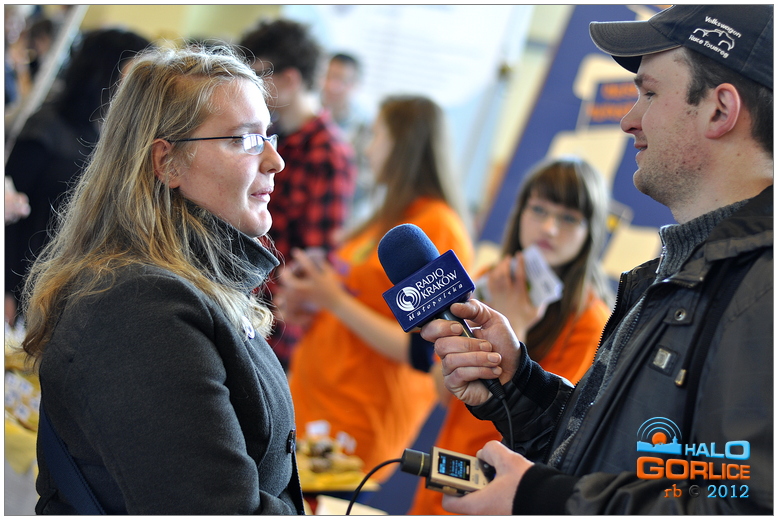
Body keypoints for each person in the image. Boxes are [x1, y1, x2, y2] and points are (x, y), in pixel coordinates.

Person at [420, 4, 772, 515]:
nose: (629, 120)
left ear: (720, 110)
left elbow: (745, 503)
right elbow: (606, 455)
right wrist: (518, 382)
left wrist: (541, 499)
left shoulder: (763, 287)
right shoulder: (676, 272)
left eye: (650, 94)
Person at [20, 44, 305, 514]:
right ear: (167, 162)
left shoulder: (183, 285)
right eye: (245, 139)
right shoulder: (139, 307)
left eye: (268, 135)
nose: (276, 161)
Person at [280, 95, 474, 483]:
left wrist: (333, 300)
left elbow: (424, 352)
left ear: (403, 145)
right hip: (314, 404)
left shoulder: (436, 227)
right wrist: (310, 300)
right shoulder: (387, 218)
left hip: (355, 423)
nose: (367, 148)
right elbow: (360, 302)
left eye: (376, 135)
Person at [408, 157, 614, 515]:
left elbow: (557, 435)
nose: (549, 228)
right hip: (449, 472)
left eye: (568, 218)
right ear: (520, 212)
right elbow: (443, 391)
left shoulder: (589, 321)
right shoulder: (491, 276)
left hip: (505, 491)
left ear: (590, 232)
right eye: (539, 210)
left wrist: (514, 326)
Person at [5, 28, 151, 327]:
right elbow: (10, 214)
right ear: (104, 72)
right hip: (19, 272)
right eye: (132, 77)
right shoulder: (46, 128)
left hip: (58, 283)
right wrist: (5, 288)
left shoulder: (106, 134)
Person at [238, 19, 357, 370]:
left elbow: (317, 259)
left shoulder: (328, 152)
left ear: (289, 79)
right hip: (240, 300)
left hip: (275, 325)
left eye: (257, 74)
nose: (248, 85)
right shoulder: (269, 134)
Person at [320, 52, 373, 220]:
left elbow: (367, 180)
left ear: (355, 85)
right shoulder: (308, 114)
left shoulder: (365, 126)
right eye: (328, 76)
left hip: (344, 215)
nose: (332, 86)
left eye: (341, 80)